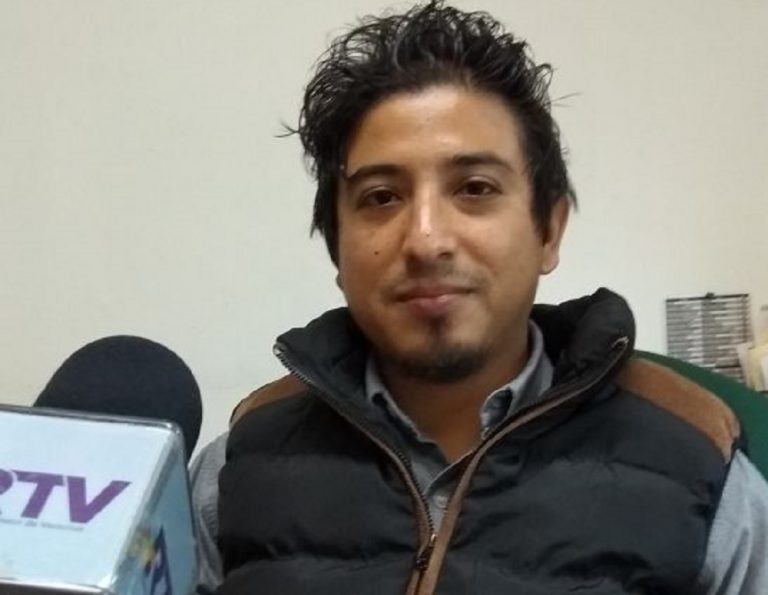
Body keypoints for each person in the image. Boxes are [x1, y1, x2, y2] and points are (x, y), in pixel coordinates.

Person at [191, 2, 768, 593]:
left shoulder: (700, 462)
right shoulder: (235, 467)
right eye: (381, 197)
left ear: (549, 231)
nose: (426, 240)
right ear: (337, 247)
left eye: (474, 188)